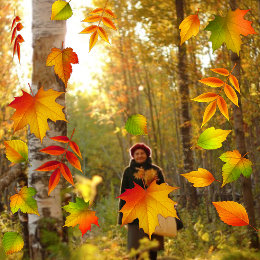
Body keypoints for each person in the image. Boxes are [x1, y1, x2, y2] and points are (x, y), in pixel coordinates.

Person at [118, 143, 173, 260]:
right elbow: (124, 194)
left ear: (147, 155)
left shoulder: (156, 170)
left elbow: (163, 191)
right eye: (136, 154)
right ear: (133, 156)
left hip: (153, 213)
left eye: (142, 153)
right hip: (134, 213)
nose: (139, 156)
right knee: (136, 246)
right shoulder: (128, 171)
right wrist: (122, 218)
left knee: (152, 247)